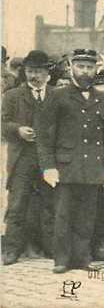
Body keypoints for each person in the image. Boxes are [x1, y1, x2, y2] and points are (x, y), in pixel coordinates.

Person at [37, 49, 104, 274]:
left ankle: (82, 257)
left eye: (90, 67)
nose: (85, 71)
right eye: (81, 66)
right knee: (63, 214)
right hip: (65, 167)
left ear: (96, 69)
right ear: (72, 67)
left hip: (92, 167)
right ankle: (61, 259)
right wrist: (48, 166)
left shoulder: (102, 98)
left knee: (87, 215)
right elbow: (44, 136)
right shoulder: (57, 95)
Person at [2, 50, 55, 265]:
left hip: (49, 158)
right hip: (22, 157)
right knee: (17, 203)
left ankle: (50, 247)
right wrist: (18, 130)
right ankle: (12, 249)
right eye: (31, 71)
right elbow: (2, 124)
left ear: (47, 73)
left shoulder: (56, 95)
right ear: (24, 72)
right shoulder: (12, 95)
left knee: (49, 202)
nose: (34, 76)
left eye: (39, 72)